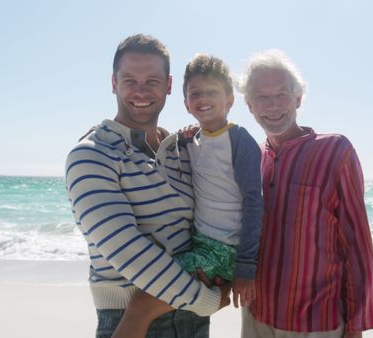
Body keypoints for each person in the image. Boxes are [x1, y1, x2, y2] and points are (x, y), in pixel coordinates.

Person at [65, 34, 231, 338]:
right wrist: (205, 300)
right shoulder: (91, 154)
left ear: (168, 86)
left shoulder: (182, 150)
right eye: (130, 80)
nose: (141, 91)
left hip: (192, 319)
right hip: (131, 320)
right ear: (114, 83)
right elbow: (127, 250)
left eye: (152, 81)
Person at [112, 54, 264, 338]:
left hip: (223, 249)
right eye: (195, 93)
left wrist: (246, 268)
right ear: (186, 104)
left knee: (143, 300)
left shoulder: (239, 140)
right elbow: (169, 145)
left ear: (230, 99)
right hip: (201, 243)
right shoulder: (191, 141)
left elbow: (255, 203)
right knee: (159, 292)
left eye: (212, 92)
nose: (203, 98)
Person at [237, 50, 373, 338]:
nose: (273, 105)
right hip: (257, 316)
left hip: (317, 322)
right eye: (262, 97)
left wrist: (356, 324)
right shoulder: (252, 159)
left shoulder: (335, 151)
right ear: (250, 104)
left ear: (298, 99)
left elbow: (357, 243)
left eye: (282, 94)